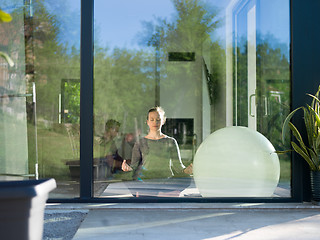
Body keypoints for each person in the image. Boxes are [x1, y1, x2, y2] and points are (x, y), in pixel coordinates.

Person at [122, 106, 192, 197]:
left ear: (163, 121)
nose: (155, 122)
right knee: (127, 178)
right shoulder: (140, 143)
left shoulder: (171, 141)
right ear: (147, 122)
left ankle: (149, 194)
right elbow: (134, 166)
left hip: (166, 182)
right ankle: (164, 194)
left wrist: (187, 170)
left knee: (187, 179)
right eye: (152, 119)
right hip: (146, 181)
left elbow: (178, 165)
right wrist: (128, 168)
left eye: (158, 119)